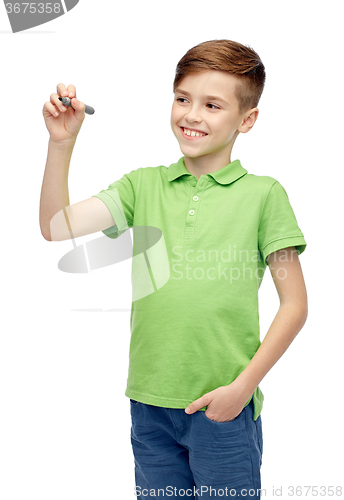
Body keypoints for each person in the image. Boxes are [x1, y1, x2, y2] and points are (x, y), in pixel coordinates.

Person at [40, 39, 308, 499]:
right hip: (148, 404)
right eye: (182, 98)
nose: (192, 115)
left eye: (212, 104)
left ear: (247, 120)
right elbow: (55, 226)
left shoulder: (265, 195)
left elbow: (295, 305)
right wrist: (61, 143)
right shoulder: (141, 186)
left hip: (221, 407)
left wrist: (242, 389)